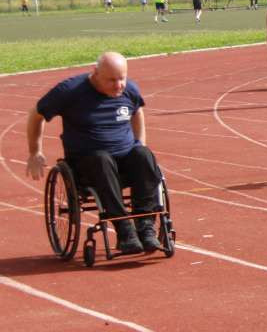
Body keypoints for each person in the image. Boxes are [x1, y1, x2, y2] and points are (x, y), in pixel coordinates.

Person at [26, 52, 164, 254]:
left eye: (122, 79)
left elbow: (137, 111)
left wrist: (139, 143)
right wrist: (35, 152)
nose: (118, 85)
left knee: (144, 155)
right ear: (96, 73)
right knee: (101, 159)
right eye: (111, 80)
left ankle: (145, 226)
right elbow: (36, 115)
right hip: (87, 163)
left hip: (124, 159)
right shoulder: (70, 91)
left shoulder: (129, 89)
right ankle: (124, 229)